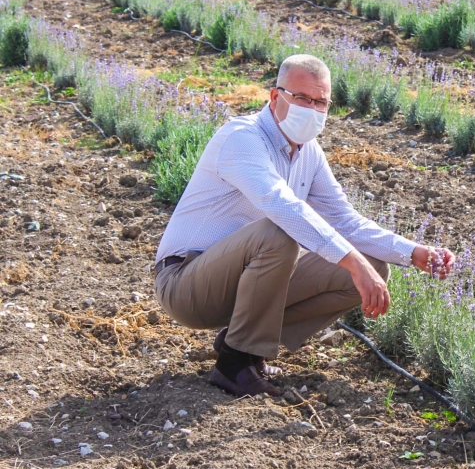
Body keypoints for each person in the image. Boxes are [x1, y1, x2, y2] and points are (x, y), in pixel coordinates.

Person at [154, 54, 455, 397]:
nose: (311, 109)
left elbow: (344, 220)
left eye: (320, 102)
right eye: (301, 98)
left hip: (238, 283)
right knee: (279, 232)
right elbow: (280, 204)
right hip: (186, 283)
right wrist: (352, 261)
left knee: (372, 267)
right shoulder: (242, 137)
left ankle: (241, 343)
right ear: (274, 96)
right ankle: (234, 366)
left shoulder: (309, 152)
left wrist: (412, 252)